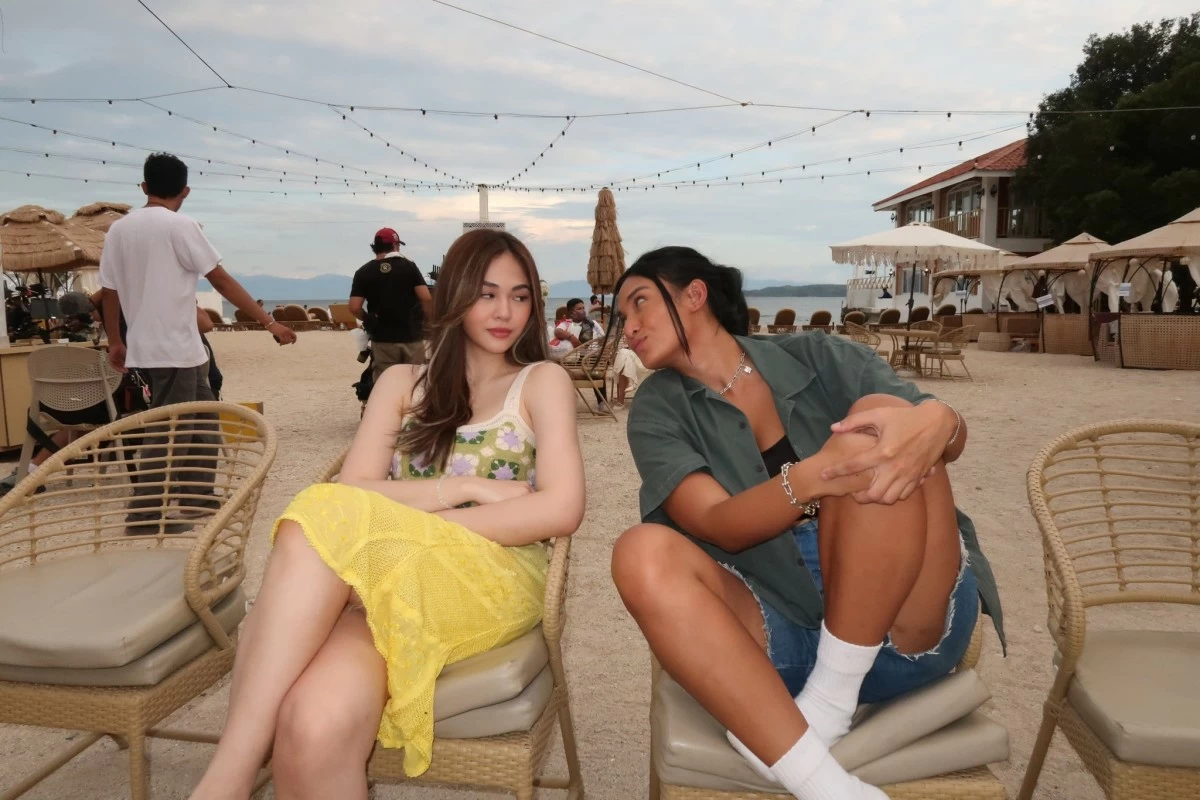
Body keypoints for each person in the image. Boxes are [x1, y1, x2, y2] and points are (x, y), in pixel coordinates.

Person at [189, 229, 585, 800]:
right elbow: (355, 491)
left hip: (488, 577)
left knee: (323, 514)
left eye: (520, 296)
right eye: (487, 294)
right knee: (310, 727)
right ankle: (235, 770)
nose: (505, 312)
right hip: (386, 576)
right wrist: (463, 487)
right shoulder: (401, 383)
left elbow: (562, 507)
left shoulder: (540, 381)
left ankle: (226, 777)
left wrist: (402, 533)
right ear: (453, 296)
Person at [608, 247, 1003, 800]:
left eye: (639, 303)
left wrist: (941, 417)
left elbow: (938, 439)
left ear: (694, 295)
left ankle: (831, 700)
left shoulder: (818, 355)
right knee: (639, 551)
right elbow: (716, 523)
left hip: (906, 617)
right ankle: (825, 785)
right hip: (779, 633)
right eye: (620, 316)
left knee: (882, 414)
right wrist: (814, 477)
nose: (627, 328)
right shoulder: (659, 408)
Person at [99, 152, 296, 534]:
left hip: (160, 346)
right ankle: (144, 514)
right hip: (173, 346)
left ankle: (197, 497)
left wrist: (115, 340)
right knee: (170, 430)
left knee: (204, 421)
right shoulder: (181, 226)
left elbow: (109, 291)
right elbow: (220, 280)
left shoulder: (119, 230)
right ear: (185, 191)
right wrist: (269, 322)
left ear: (144, 186)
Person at [350, 227, 434, 384]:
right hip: (411, 336)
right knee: (414, 382)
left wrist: (368, 319)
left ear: (375, 247)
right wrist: (428, 320)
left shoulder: (363, 272)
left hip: (382, 338)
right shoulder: (409, 266)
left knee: (385, 383)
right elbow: (426, 298)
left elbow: (354, 307)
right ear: (395, 246)